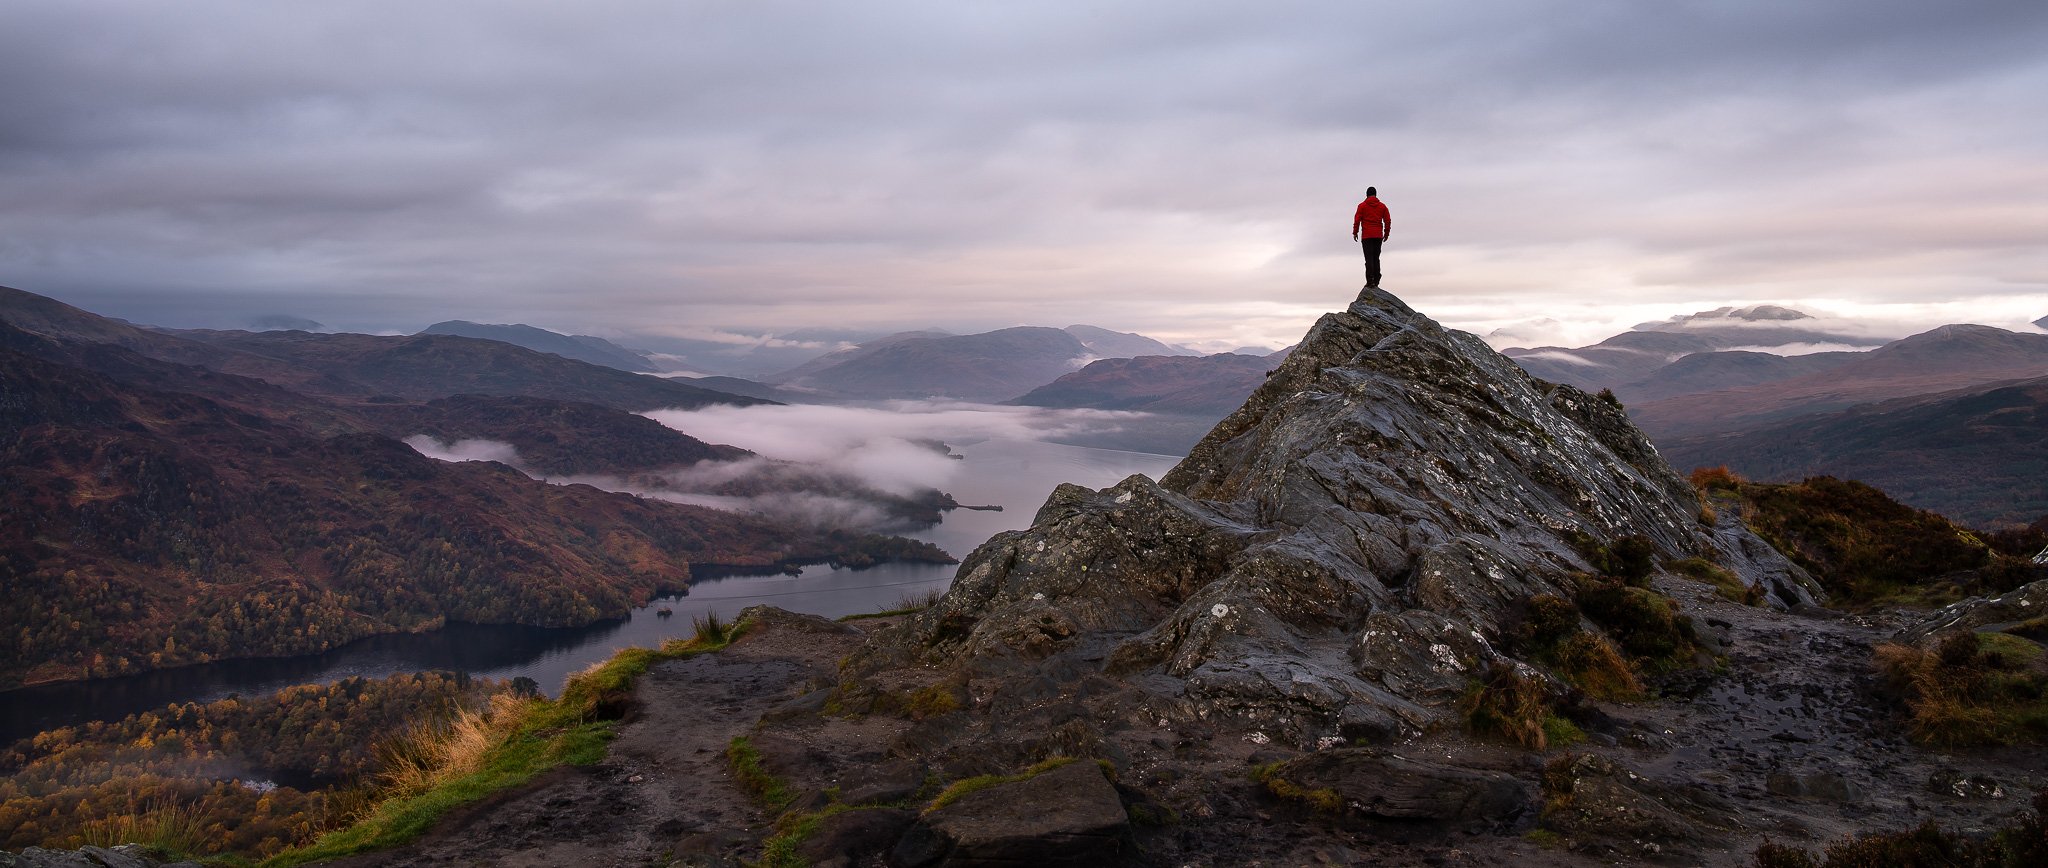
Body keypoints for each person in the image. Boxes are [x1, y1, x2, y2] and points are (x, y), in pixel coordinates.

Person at [1351, 187, 1392, 288]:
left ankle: (1370, 282)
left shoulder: (1362, 206)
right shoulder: (1383, 207)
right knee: (1376, 258)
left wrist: (1355, 232)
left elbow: (1357, 220)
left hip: (1367, 236)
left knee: (1369, 259)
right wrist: (1386, 234)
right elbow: (1387, 220)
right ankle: (1377, 280)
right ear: (1376, 194)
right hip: (1378, 236)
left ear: (1366, 194)